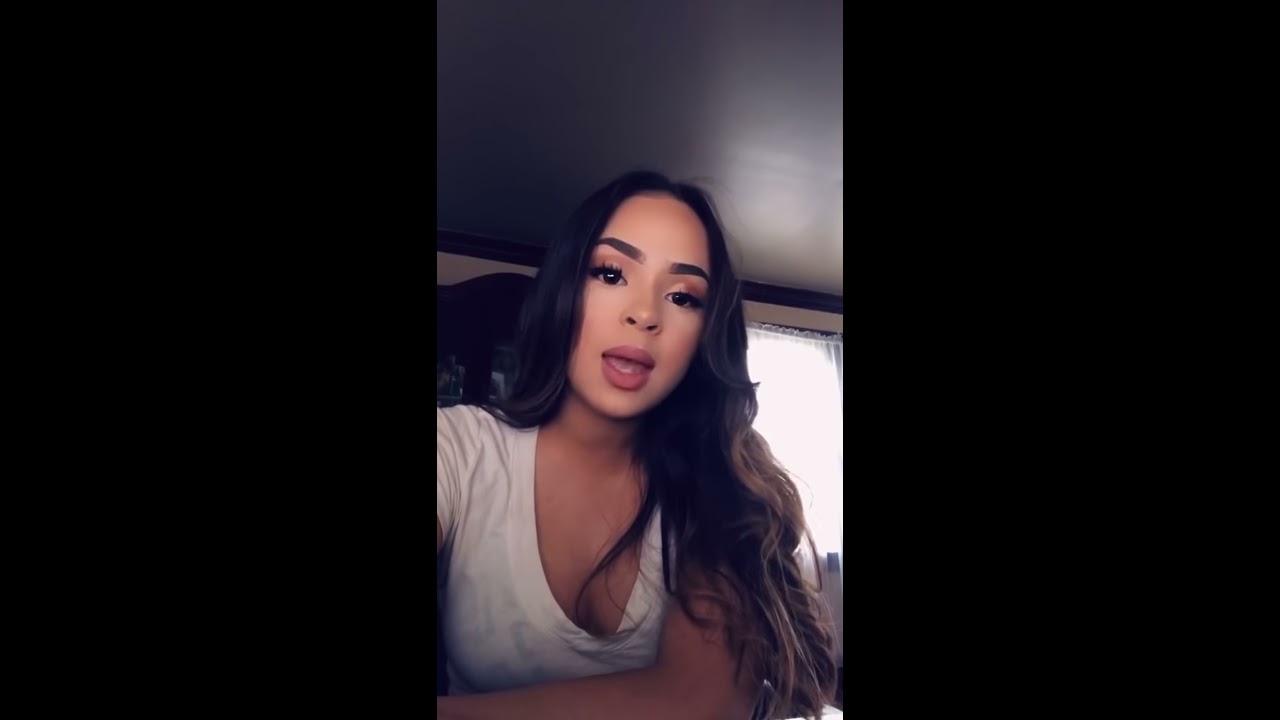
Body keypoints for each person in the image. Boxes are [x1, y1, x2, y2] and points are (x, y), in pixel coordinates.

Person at [436, 171, 837, 719]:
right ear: (564, 289)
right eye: (610, 273)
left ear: (704, 337)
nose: (645, 315)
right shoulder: (458, 449)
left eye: (682, 296)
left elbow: (698, 702)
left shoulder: (721, 480)